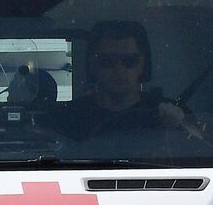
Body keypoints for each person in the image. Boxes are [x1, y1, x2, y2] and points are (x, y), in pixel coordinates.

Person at [56, 20, 202, 142]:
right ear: (92, 65)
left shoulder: (168, 113)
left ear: (143, 64)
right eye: (107, 61)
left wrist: (179, 125)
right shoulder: (68, 117)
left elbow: (202, 148)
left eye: (129, 61)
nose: (119, 70)